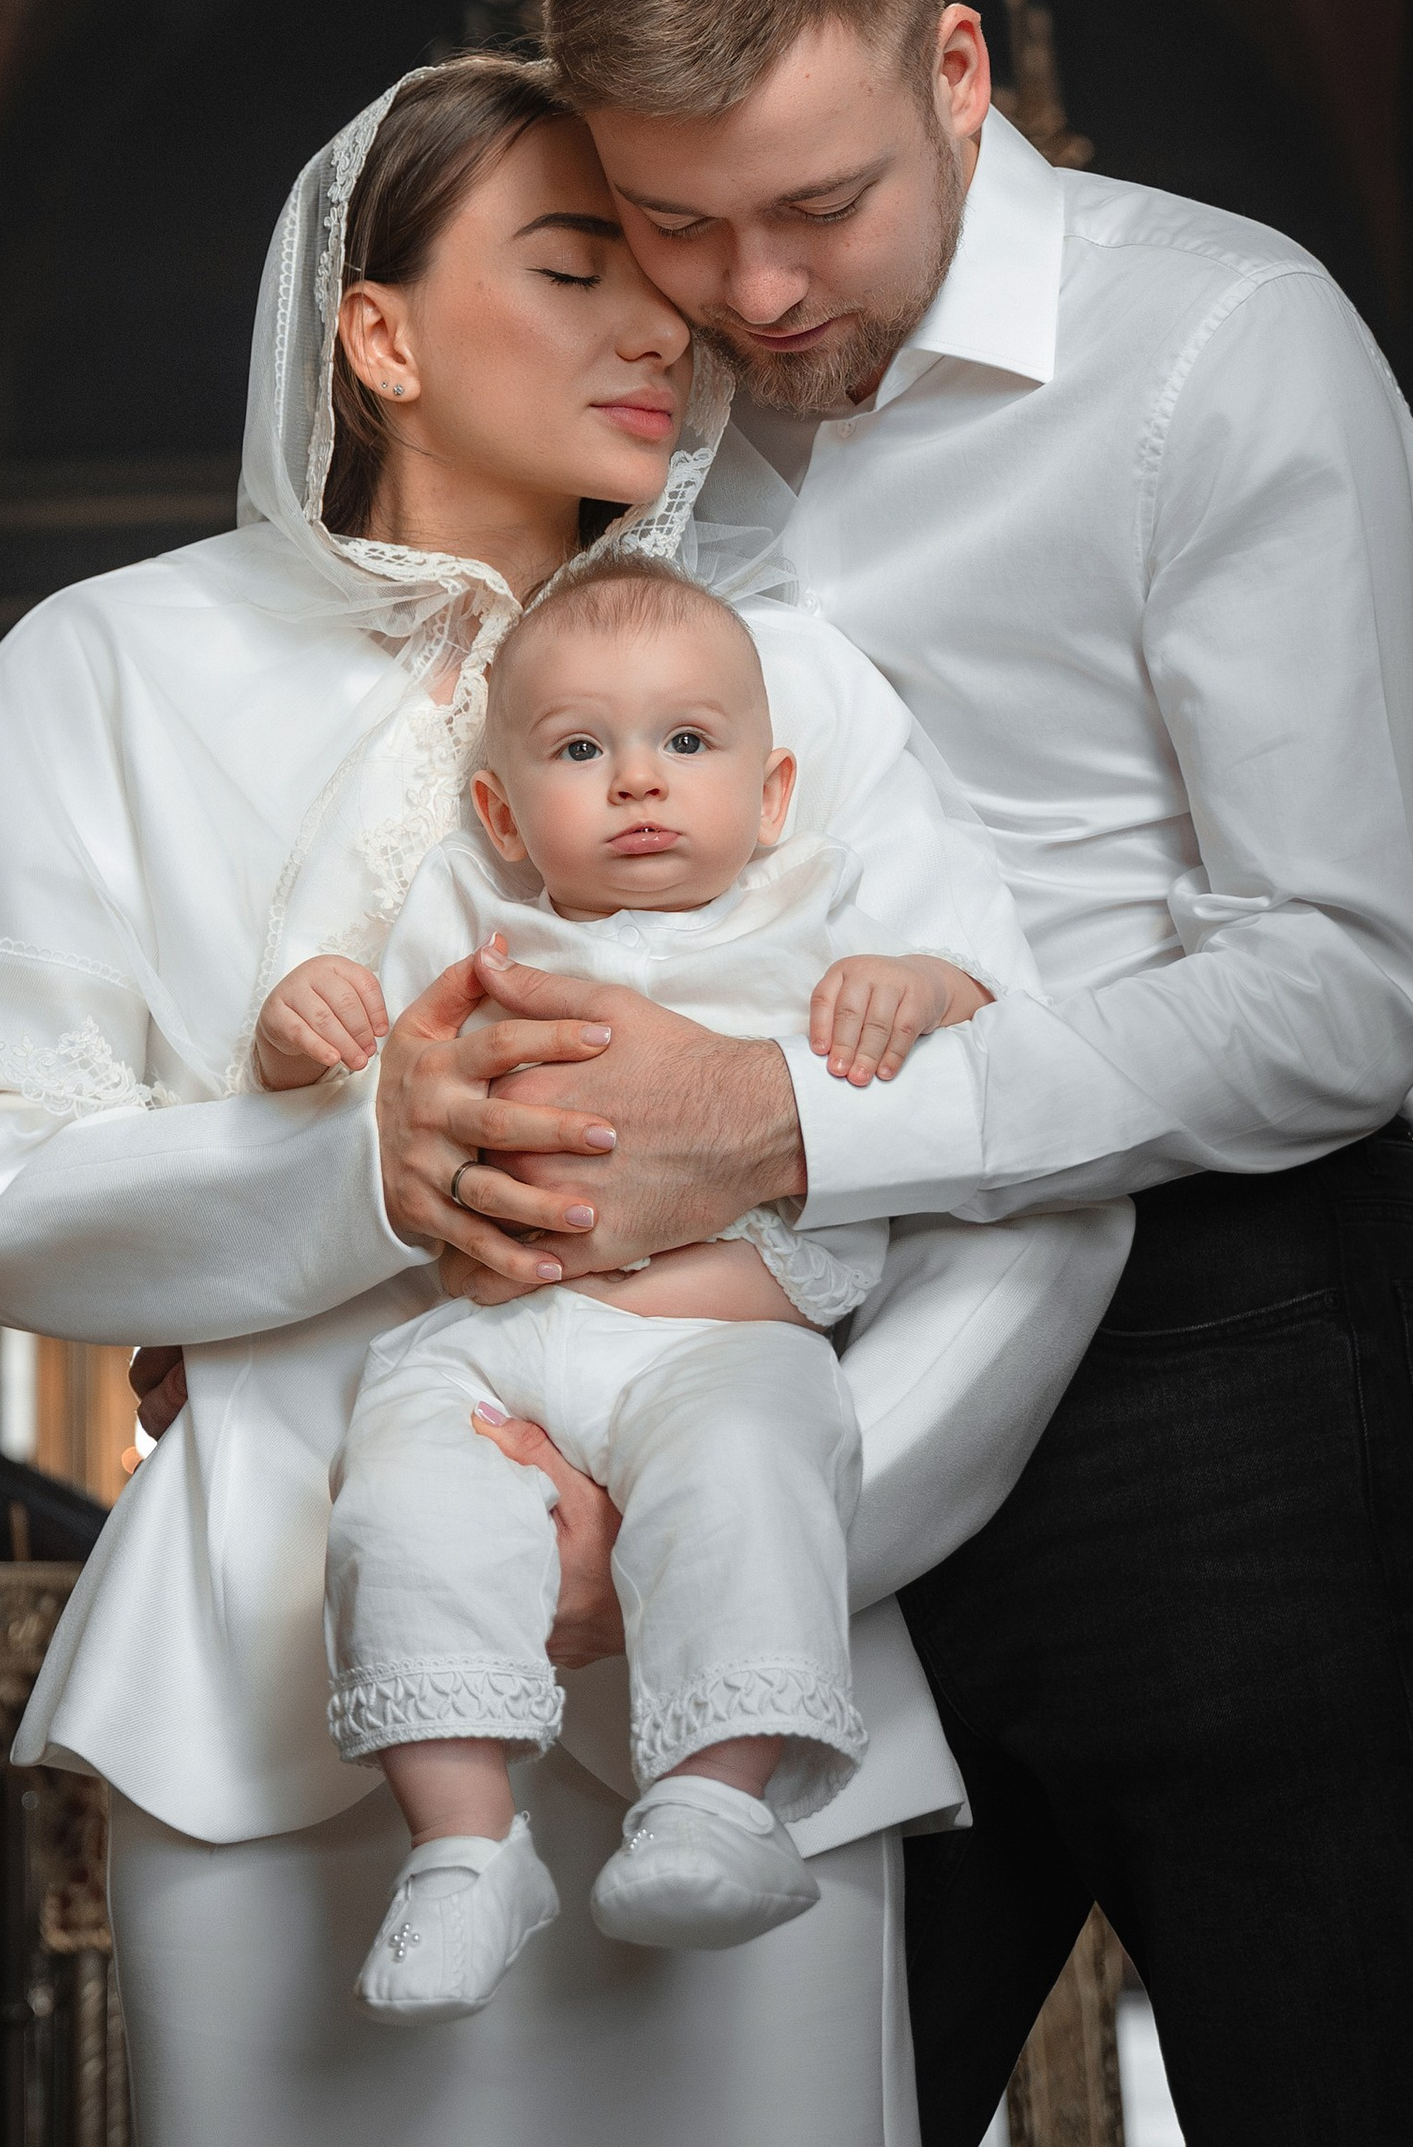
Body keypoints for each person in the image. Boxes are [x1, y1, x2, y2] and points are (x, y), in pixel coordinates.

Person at [0, 52, 1127, 2147]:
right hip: (272, 1680)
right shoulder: (108, 674)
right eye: (575, 267)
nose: (657, 326)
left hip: (733, 1702)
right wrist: (341, 1168)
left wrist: (783, 1535)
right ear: (376, 335)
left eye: (659, 268)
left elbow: (1028, 1174)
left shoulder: (796, 697)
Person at [354, 0, 1413, 2144]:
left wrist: (788, 1114)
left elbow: (1330, 988)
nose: (757, 294)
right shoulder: (656, 445)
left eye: (822, 204)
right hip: (777, 1382)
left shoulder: (1223, 350)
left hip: (1231, 1362)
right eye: (674, 226)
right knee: (779, 2107)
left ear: (955, 74)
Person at [252, 559, 1025, 2019]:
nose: (638, 785)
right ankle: (464, 1843)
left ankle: (713, 1799)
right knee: (399, 1490)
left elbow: (991, 1023)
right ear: (500, 812)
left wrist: (921, 988)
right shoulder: (473, 928)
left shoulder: (815, 919)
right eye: (578, 750)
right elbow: (363, 1057)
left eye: (688, 742)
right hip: (496, 1339)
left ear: (773, 791)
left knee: (754, 1468)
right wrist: (307, 1018)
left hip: (717, 1341)